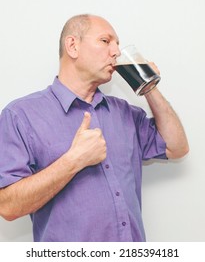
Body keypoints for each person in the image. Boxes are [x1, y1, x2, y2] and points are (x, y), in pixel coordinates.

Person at [0, 14, 189, 242]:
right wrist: (74, 161)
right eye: (105, 41)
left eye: (118, 44)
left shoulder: (125, 113)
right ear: (73, 46)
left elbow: (177, 147)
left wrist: (148, 86)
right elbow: (8, 206)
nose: (116, 52)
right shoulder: (21, 115)